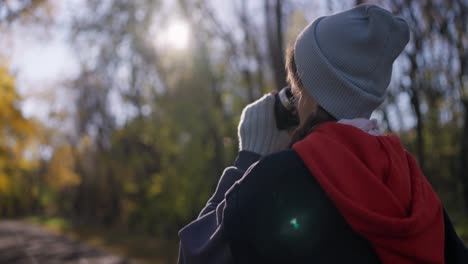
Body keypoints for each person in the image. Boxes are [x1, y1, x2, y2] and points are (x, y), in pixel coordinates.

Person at [178, 4, 468, 264]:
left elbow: (195, 257)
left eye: (295, 88)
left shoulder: (273, 181)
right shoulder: (414, 187)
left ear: (310, 94)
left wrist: (248, 159)